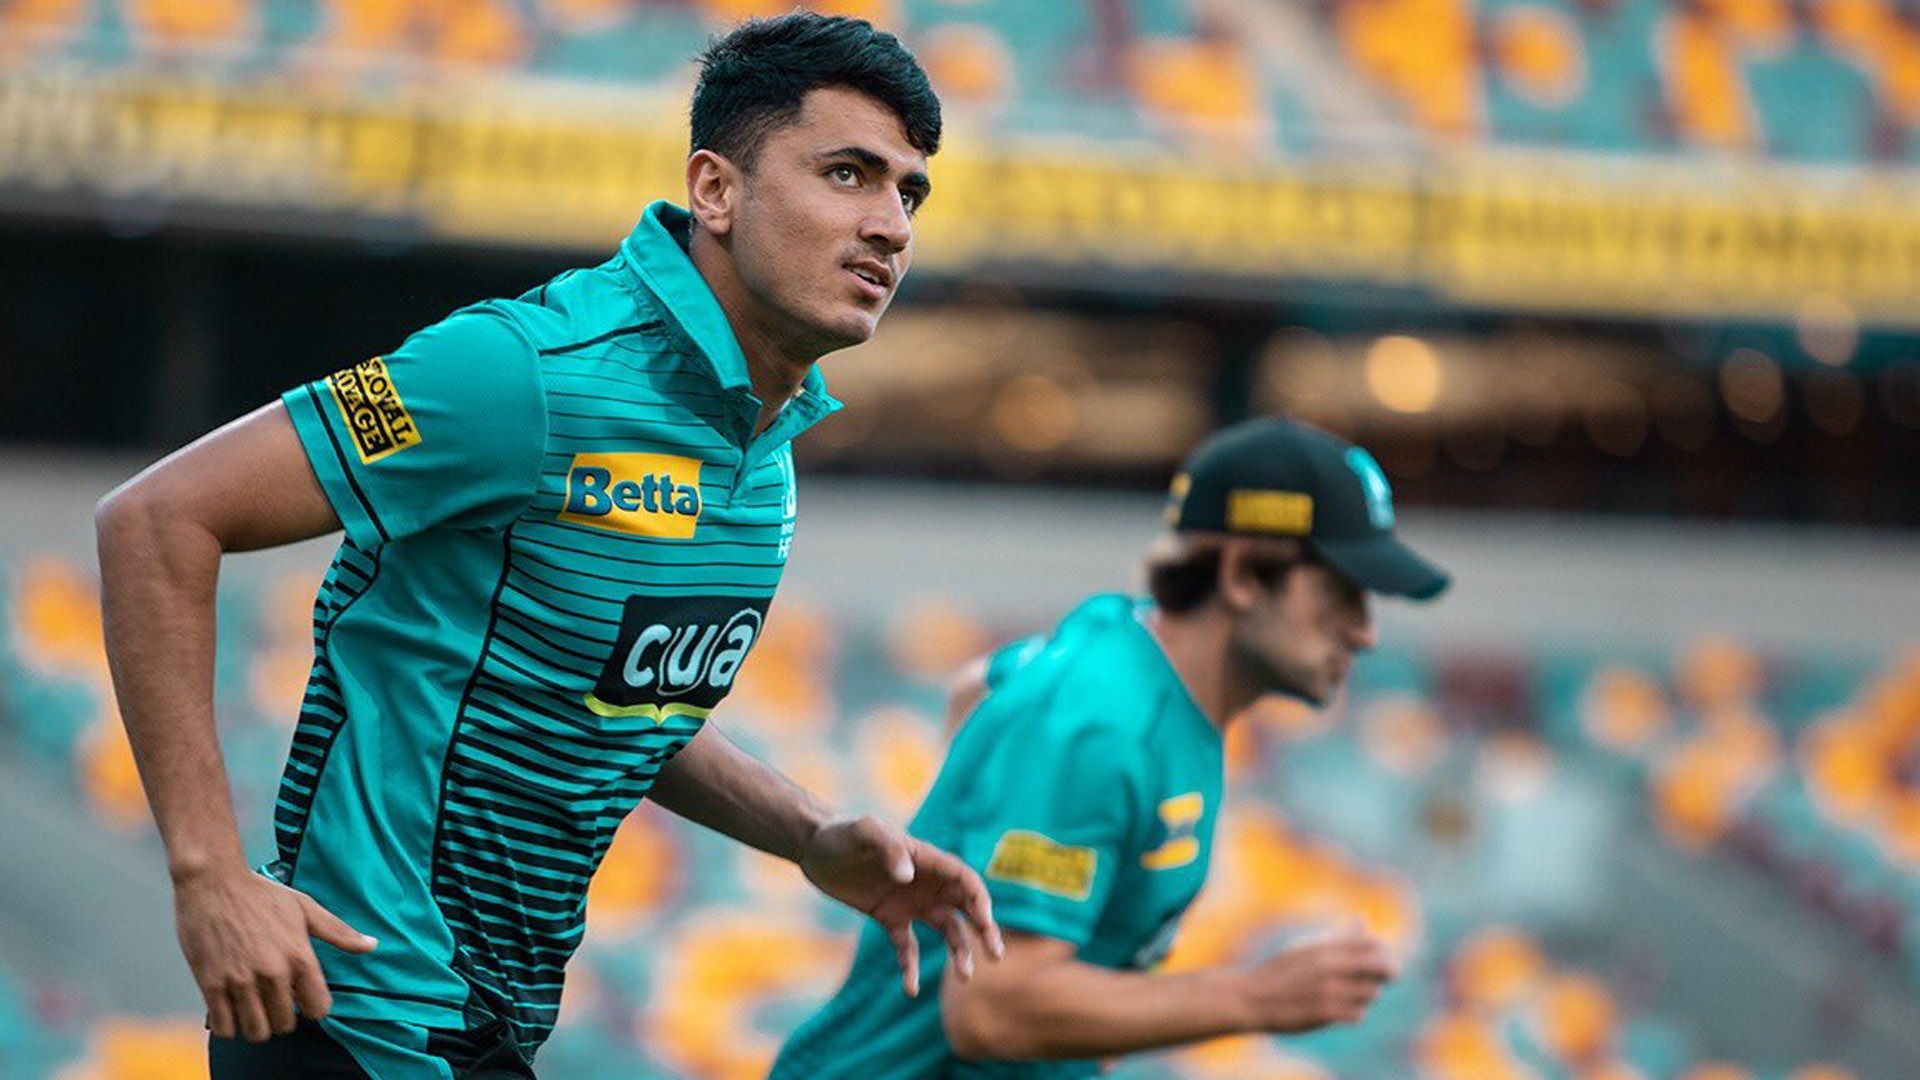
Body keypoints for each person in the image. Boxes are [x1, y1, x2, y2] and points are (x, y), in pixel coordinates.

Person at [94, 14, 1002, 1078]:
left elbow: (606, 701)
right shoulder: (521, 371)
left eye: (909, 193)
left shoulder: (764, 461)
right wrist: (208, 876)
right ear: (715, 189)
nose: (889, 224)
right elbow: (155, 520)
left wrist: (808, 834)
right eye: (847, 174)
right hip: (357, 1017)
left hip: (489, 1028)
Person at [773, 417, 1450, 1079]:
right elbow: (989, 1011)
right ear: (1243, 573)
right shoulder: (1102, 725)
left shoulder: (1127, 655)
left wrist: (981, 824)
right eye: (1341, 591)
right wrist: (1257, 997)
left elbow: (976, 685)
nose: (1365, 632)